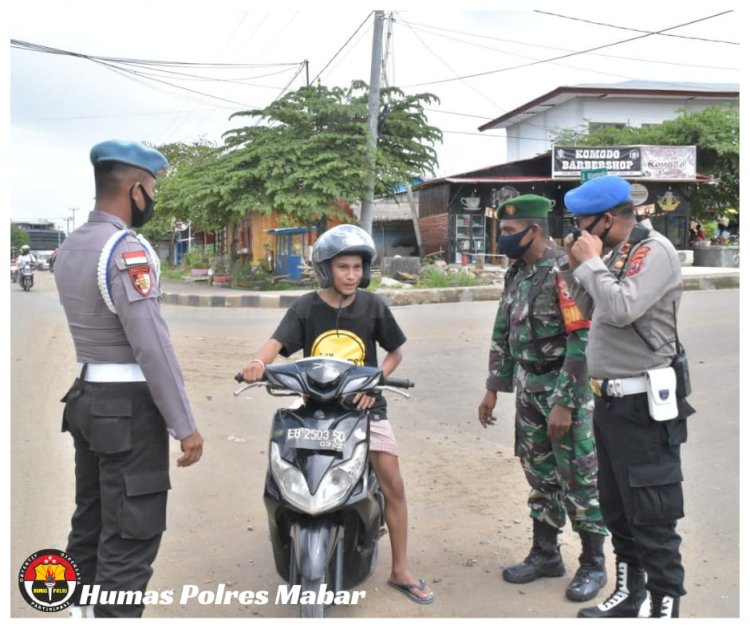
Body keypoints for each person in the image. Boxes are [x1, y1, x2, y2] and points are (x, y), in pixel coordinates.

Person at [241, 223, 435, 605]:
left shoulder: (373, 306)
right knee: (287, 469)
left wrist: (376, 381)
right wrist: (254, 363)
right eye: (343, 267)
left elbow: (395, 352)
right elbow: (275, 344)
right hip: (312, 408)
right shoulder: (306, 307)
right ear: (326, 269)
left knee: (392, 482)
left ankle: (400, 570)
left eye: (358, 267)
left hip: (364, 409)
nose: (352, 275)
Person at [54, 140, 204, 618]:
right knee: (131, 533)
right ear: (137, 190)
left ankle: (80, 613)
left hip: (86, 397)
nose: (153, 201)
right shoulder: (126, 249)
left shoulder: (73, 244)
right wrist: (185, 425)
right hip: (126, 406)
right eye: (152, 190)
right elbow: (151, 345)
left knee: (92, 519)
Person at [562, 175, 694, 618]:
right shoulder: (613, 254)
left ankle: (664, 608)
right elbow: (592, 310)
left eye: (583, 224)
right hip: (611, 403)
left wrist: (591, 265)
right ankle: (630, 594)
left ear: (607, 219)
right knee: (617, 508)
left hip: (644, 405)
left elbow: (622, 308)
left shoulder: (654, 252)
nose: (578, 232)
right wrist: (575, 266)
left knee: (652, 514)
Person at [478, 194, 608, 604]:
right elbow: (504, 328)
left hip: (561, 390)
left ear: (535, 230)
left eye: (511, 232)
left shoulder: (563, 271)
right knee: (540, 475)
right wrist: (493, 388)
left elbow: (581, 338)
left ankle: (593, 563)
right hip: (528, 388)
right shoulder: (518, 272)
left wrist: (566, 402)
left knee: (579, 478)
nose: (504, 239)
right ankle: (546, 554)